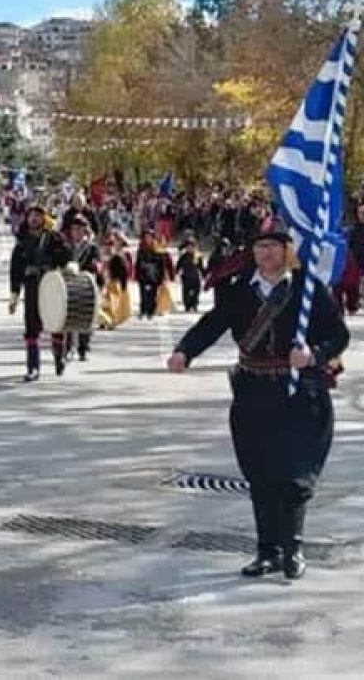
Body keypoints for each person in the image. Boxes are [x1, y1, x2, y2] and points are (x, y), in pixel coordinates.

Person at [167, 219, 349, 580]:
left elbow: (338, 335)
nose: (266, 253)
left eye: (273, 246)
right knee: (261, 473)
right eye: (260, 246)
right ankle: (268, 552)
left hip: (299, 392)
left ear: (286, 249)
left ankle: (293, 549)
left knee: (294, 474)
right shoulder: (240, 289)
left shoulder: (307, 288)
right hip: (253, 391)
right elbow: (212, 324)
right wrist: (185, 351)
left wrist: (313, 355)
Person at [9, 204, 71, 381]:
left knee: (55, 321)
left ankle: (59, 356)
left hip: (51, 285)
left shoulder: (53, 237)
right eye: (31, 215)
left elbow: (66, 256)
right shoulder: (22, 241)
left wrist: (58, 239)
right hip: (31, 285)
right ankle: (33, 367)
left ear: (44, 218)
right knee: (31, 325)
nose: (34, 219)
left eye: (38, 215)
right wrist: (14, 293)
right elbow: (16, 269)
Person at [64, 215, 102, 362]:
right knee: (68, 317)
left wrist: (94, 266)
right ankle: (68, 347)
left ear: (85, 230)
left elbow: (97, 263)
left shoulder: (91, 247)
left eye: (80, 229)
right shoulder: (67, 246)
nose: (77, 232)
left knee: (85, 316)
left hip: (86, 285)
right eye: (74, 229)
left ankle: (83, 348)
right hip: (69, 284)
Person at [177, 236, 206, 313]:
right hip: (186, 277)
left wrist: (205, 275)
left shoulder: (198, 256)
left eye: (191, 246)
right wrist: (175, 273)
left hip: (195, 277)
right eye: (188, 247)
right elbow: (178, 266)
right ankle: (187, 305)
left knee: (196, 292)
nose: (190, 248)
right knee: (186, 292)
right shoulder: (183, 256)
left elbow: (201, 267)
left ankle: (194, 305)